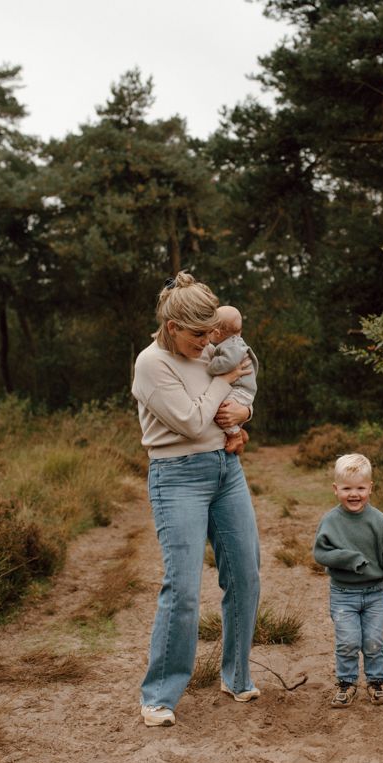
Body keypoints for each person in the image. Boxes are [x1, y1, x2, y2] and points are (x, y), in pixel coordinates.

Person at [132, 271, 261, 728]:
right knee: (184, 589)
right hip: (177, 477)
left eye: (212, 333)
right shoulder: (151, 364)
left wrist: (243, 414)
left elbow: (238, 390)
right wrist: (223, 380)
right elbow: (190, 420)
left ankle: (236, 676)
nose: (208, 342)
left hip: (227, 472)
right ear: (172, 328)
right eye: (198, 334)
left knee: (245, 575)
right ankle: (159, 696)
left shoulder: (208, 350)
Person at [313, 453, 383, 708]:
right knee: (348, 641)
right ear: (336, 489)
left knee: (373, 641)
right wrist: (349, 558)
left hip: (376, 593)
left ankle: (376, 683)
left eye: (360, 488)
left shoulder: (380, 520)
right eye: (346, 488)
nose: (354, 494)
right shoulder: (331, 521)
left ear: (370, 488)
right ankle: (346, 684)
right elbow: (320, 553)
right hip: (343, 594)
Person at [206, 305, 258, 454]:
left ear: (216, 333)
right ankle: (240, 431)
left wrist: (211, 367)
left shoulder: (231, 347)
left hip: (240, 389)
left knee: (222, 410)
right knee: (227, 409)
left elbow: (228, 362)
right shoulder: (236, 343)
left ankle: (235, 435)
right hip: (243, 389)